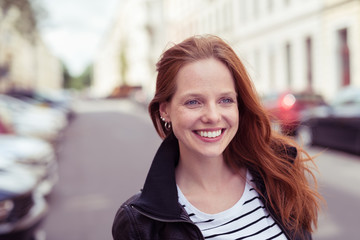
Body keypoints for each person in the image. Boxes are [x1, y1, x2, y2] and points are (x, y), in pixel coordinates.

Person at [112, 35, 321, 240]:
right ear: (165, 110)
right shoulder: (140, 224)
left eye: (225, 100)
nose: (212, 116)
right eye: (193, 102)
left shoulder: (278, 174)